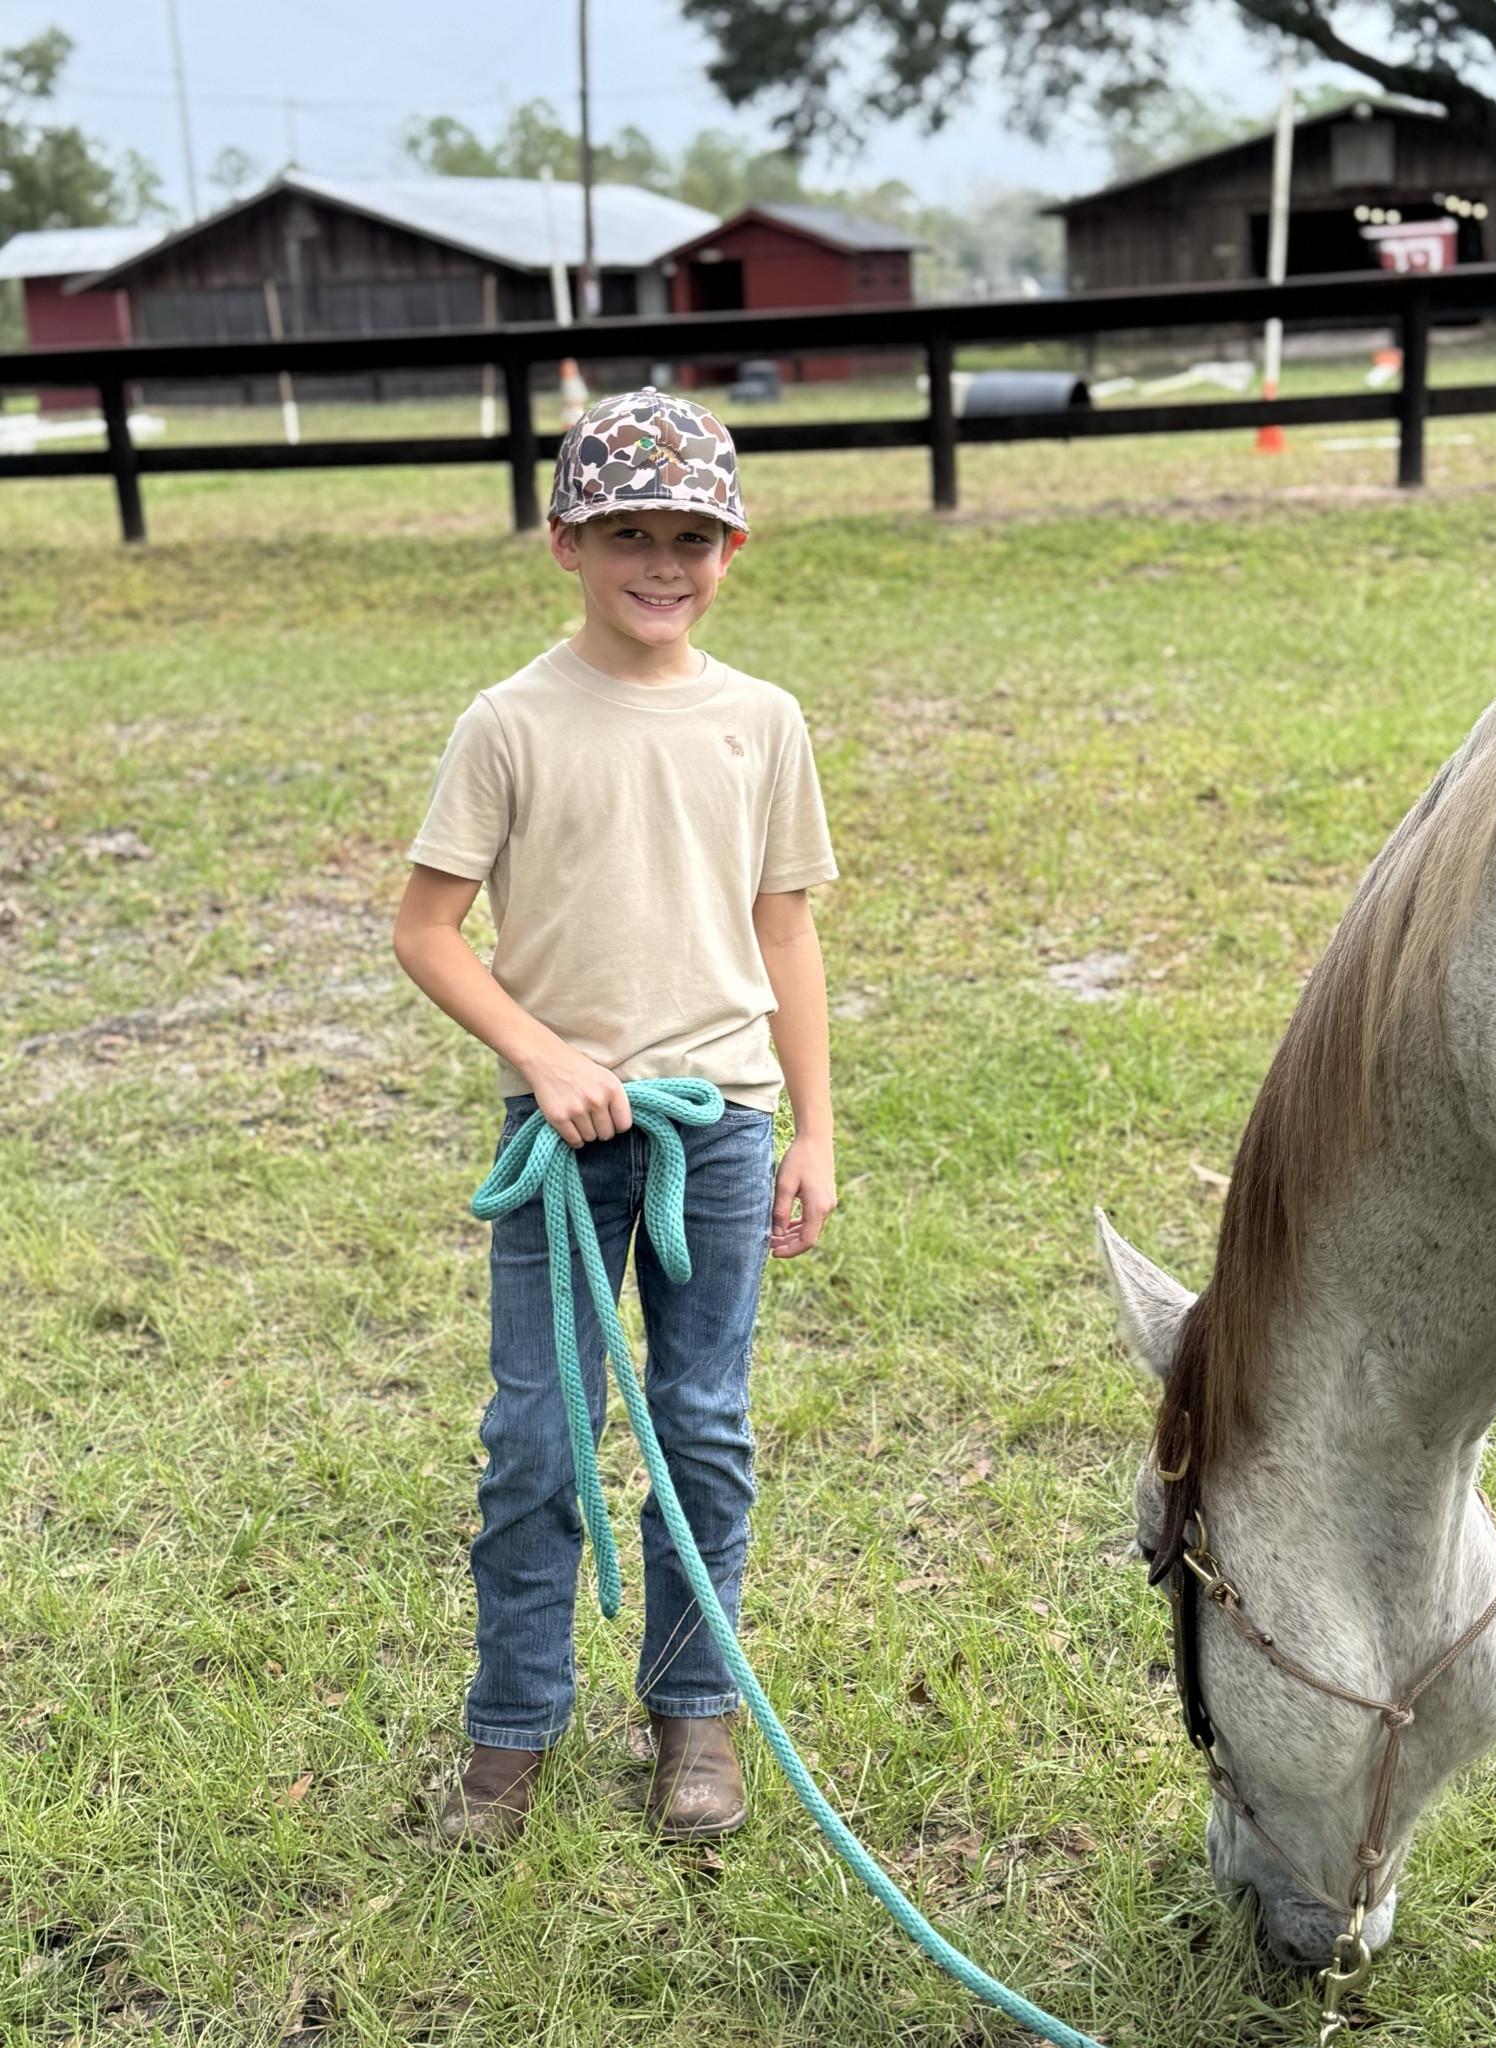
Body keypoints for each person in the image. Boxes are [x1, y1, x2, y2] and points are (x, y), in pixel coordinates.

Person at [393, 388, 838, 1849]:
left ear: (733, 547)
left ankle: (689, 1715)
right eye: (630, 533)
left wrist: (811, 1134)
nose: (664, 562)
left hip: (717, 1128)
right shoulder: (508, 722)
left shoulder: (760, 722)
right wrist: (543, 1055)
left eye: (692, 536)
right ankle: (507, 1733)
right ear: (564, 540)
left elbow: (785, 940)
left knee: (702, 1428)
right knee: (540, 1433)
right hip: (561, 1139)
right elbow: (429, 931)